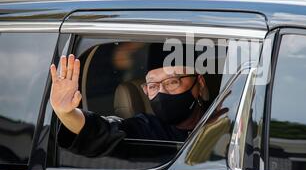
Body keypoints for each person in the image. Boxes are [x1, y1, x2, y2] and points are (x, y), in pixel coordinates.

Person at [50, 43, 210, 157]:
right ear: (145, 90)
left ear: (200, 83)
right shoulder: (148, 131)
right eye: (153, 86)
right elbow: (104, 132)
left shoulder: (228, 115)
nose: (162, 91)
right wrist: (67, 114)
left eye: (172, 82)